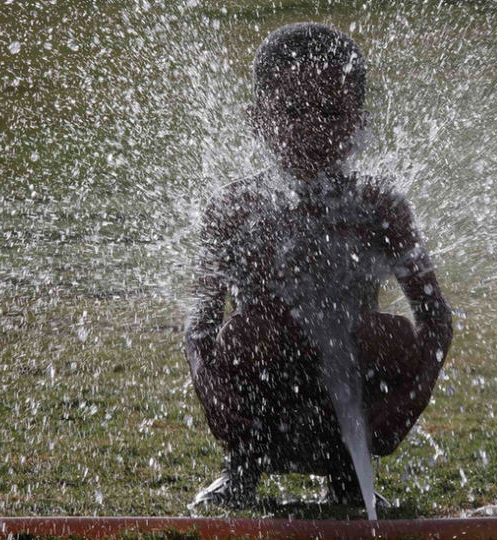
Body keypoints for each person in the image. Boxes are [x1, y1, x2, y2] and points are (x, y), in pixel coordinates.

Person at [184, 22, 452, 509]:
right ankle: (242, 472)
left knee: (388, 337)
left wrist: (408, 401)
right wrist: (213, 393)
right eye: (291, 111)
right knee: (251, 331)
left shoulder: (379, 206)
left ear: (358, 123)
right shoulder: (236, 208)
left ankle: (349, 478)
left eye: (331, 112)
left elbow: (435, 319)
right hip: (262, 396)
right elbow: (198, 325)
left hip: (358, 402)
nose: (310, 127)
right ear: (257, 119)